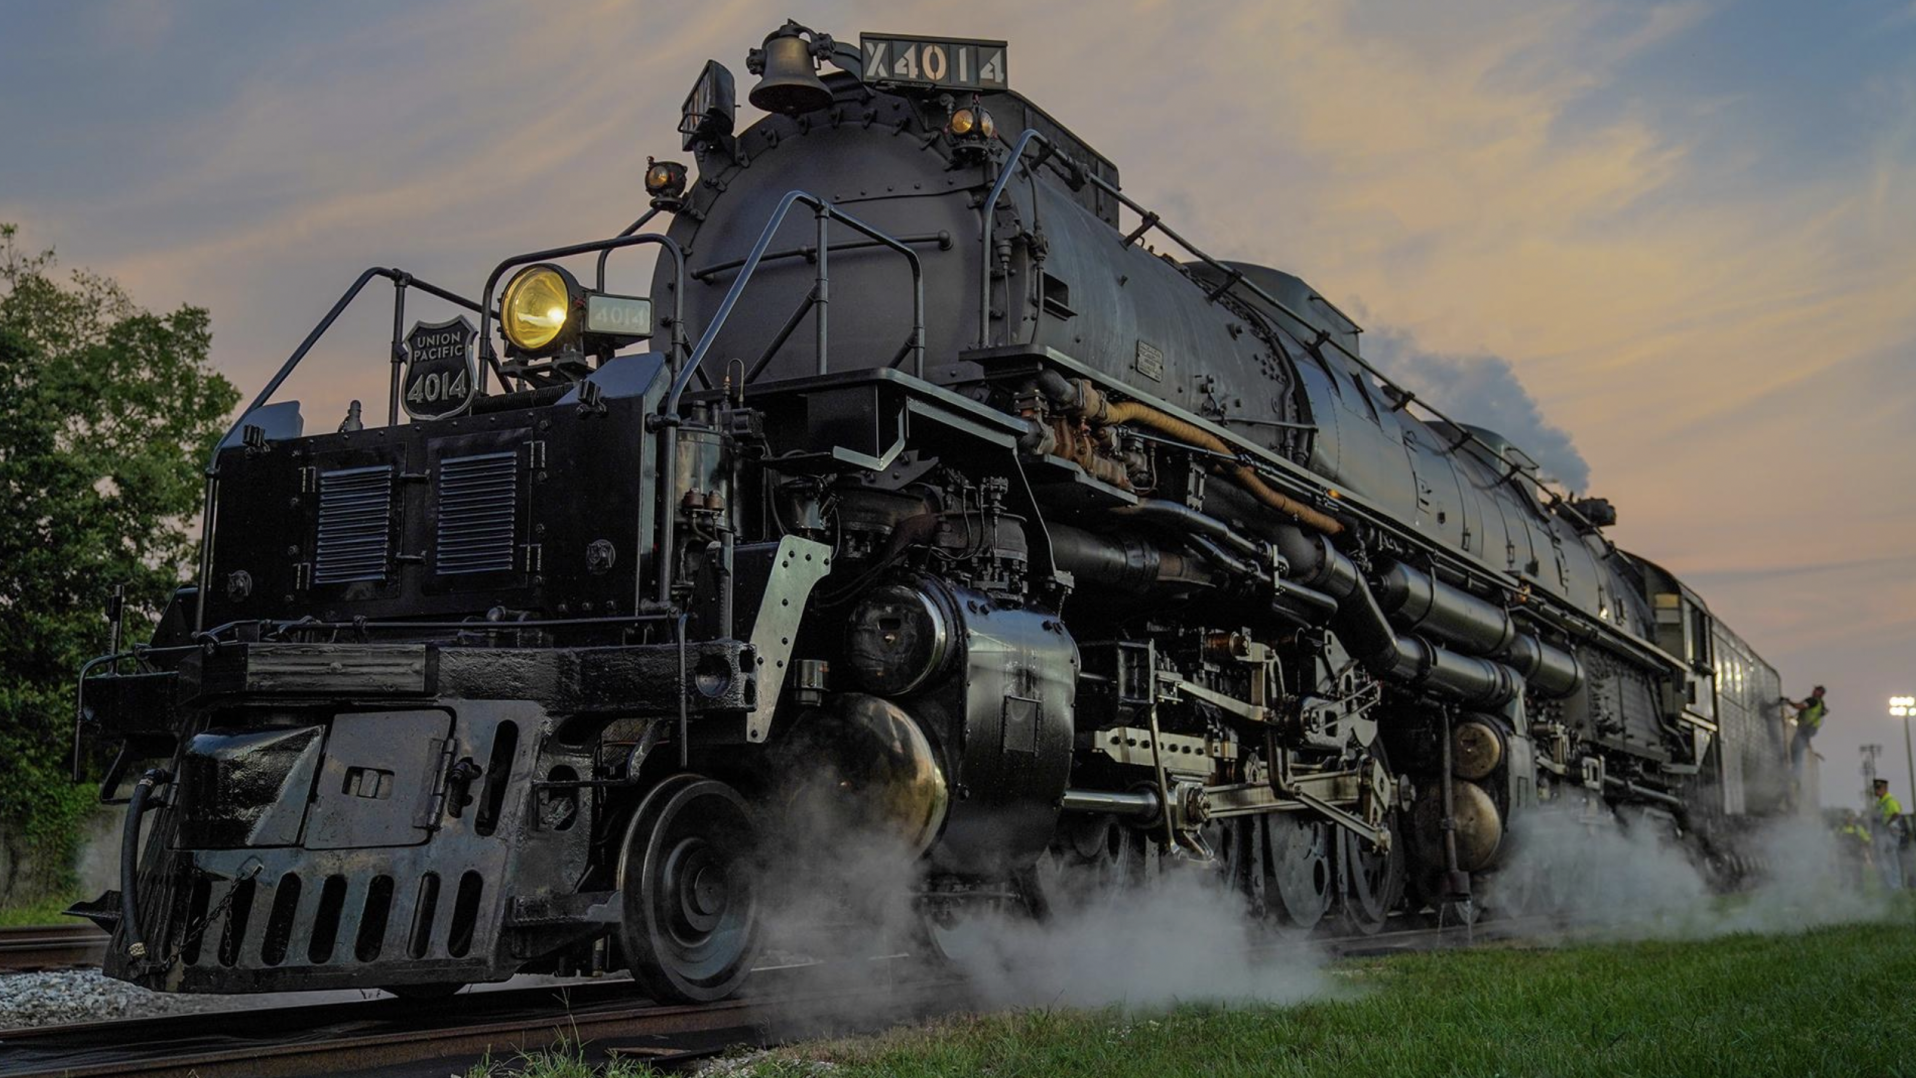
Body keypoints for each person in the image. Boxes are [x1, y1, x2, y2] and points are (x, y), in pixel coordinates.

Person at [1870, 778, 1905, 891]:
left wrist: (1886, 824)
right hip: (1882, 834)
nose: (1876, 791)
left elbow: (1896, 814)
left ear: (1885, 788)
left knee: (1891, 862)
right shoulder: (1880, 802)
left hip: (1889, 834)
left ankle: (1896, 888)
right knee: (1884, 862)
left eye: (1878, 788)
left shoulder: (1890, 800)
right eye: (1875, 788)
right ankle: (1888, 887)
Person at [1783, 685, 1829, 773]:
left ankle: (1795, 771)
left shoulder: (1812, 701)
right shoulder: (1820, 703)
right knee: (1798, 747)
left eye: (1816, 690)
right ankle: (1795, 770)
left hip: (1806, 728)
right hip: (1810, 729)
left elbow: (1799, 706)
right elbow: (1822, 712)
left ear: (1820, 693)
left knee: (1796, 747)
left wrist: (1788, 702)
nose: (1813, 691)